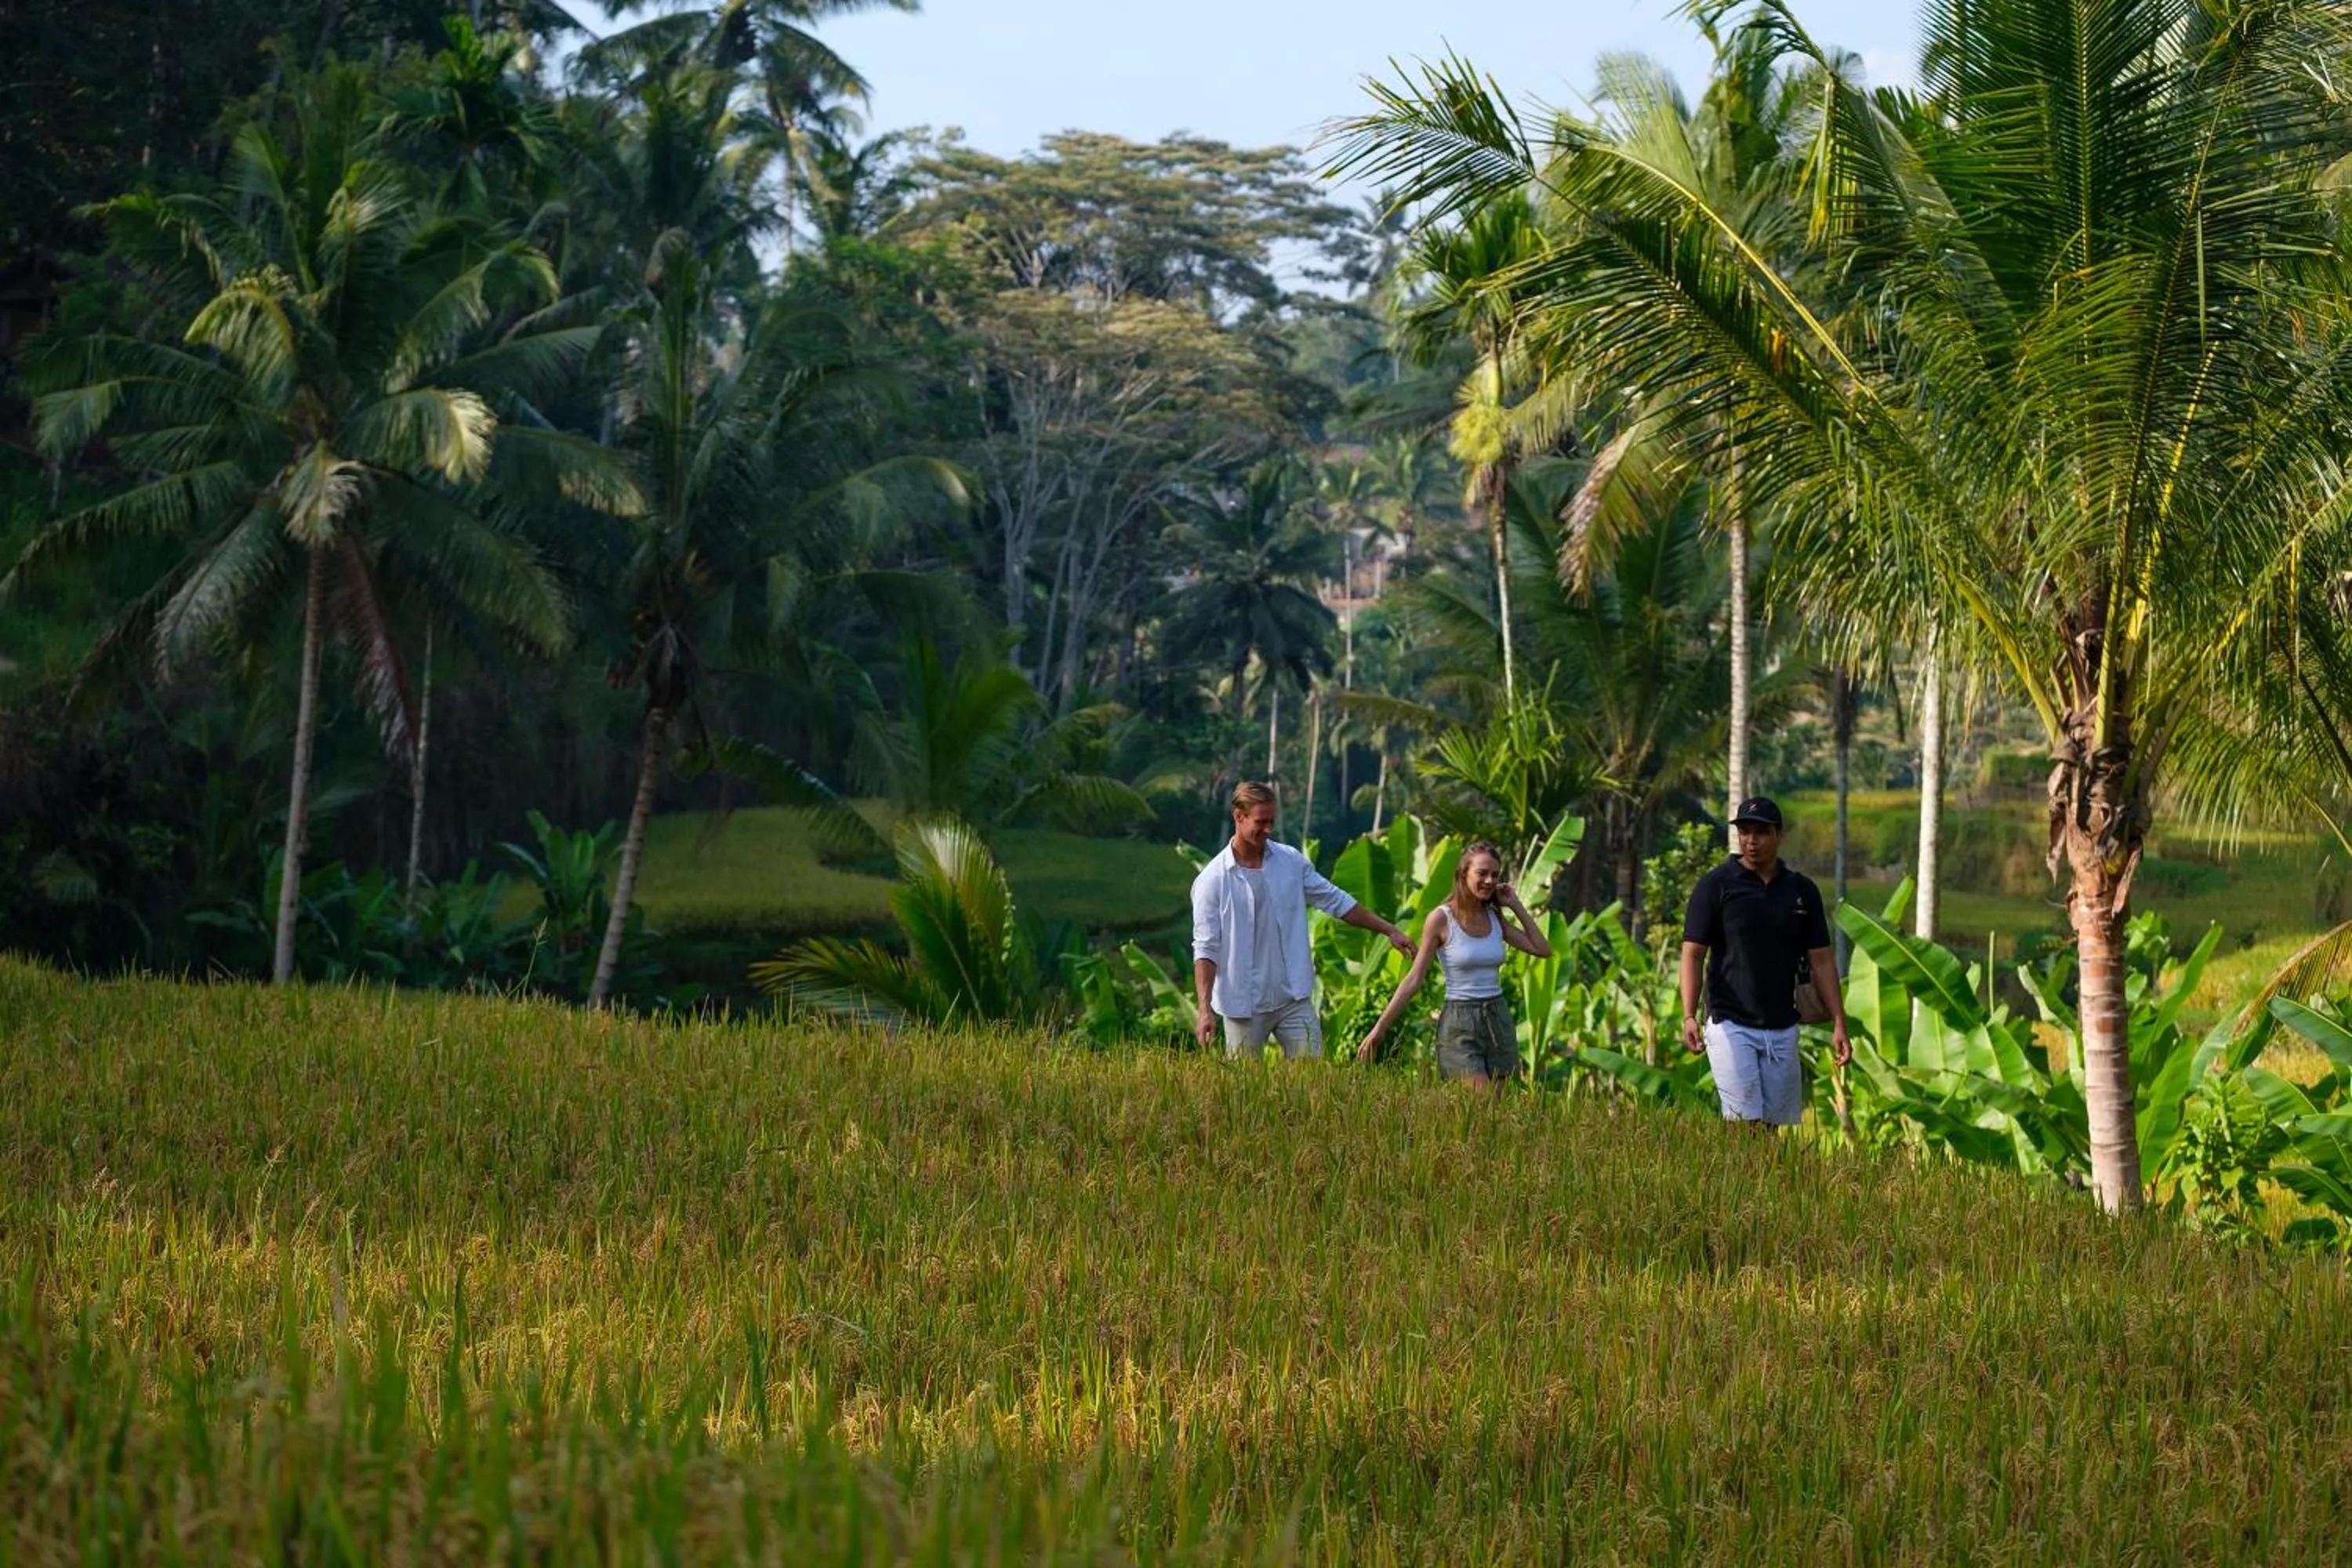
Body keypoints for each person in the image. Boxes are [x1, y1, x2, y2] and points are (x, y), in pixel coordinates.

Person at [1192, 781, 1416, 1058]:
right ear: (1239, 817)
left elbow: (1337, 901)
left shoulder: (1290, 862)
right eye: (1261, 822)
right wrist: (1204, 1010)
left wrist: (1388, 930)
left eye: (1272, 821)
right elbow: (1206, 948)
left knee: (1313, 1082)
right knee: (1243, 1091)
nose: (1268, 830)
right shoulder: (1212, 880)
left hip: (1293, 999)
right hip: (1243, 1005)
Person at [1680, 796, 1852, 1126]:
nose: (1751, 840)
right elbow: (1693, 953)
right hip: (1729, 1021)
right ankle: (1740, 1178)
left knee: (1773, 1128)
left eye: (1760, 832)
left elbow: (1822, 961)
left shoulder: (1801, 891)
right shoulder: (1716, 885)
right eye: (1744, 831)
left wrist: (1839, 1022)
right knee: (1745, 1123)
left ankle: (1762, 1179)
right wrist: (1688, 1015)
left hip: (1783, 1025)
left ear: (1779, 836)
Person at [1356, 840, 1553, 1083]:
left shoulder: (1494, 918)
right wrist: (1379, 1029)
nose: (1490, 881)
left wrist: (1515, 904)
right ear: (1463, 873)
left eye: (1495, 875)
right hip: (1460, 1021)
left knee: (1495, 1115)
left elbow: (1542, 949)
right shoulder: (1441, 919)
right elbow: (1415, 978)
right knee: (1480, 1105)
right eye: (1482, 873)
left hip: (1497, 1017)